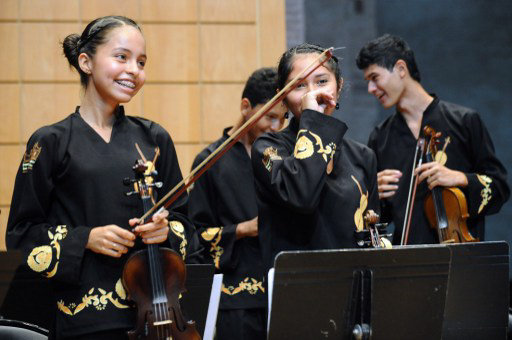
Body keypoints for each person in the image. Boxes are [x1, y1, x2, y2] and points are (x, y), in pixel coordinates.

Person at [6, 15, 202, 340]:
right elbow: (21, 234)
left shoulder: (155, 138)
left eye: (141, 62)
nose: (134, 70)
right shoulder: (50, 142)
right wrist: (85, 239)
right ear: (86, 62)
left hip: (156, 315)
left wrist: (166, 230)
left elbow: (187, 224)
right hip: (80, 319)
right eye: (121, 57)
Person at [356, 34, 510, 244]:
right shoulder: (380, 138)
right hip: (408, 262)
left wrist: (462, 179)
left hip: (462, 258)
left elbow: (500, 188)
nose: (370, 89)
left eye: (374, 78)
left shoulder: (464, 121)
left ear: (401, 68)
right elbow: (376, 221)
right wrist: (373, 195)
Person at [251, 43, 380, 270]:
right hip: (296, 284)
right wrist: (312, 118)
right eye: (299, 85)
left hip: (353, 280)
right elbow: (302, 195)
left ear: (338, 87)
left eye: (322, 82)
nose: (313, 93)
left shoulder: (363, 156)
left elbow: (372, 227)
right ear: (282, 97)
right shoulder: (267, 149)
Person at [188, 67, 286, 340]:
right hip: (236, 297)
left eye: (282, 119)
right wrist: (243, 229)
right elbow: (195, 235)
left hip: (280, 290)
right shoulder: (210, 160)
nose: (276, 127)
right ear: (246, 107)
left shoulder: (278, 156)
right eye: (269, 117)